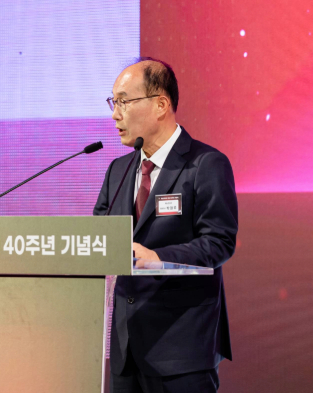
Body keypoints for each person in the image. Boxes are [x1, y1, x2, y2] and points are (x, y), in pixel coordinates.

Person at [93, 58, 237, 392]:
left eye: (124, 102)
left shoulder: (206, 165)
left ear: (160, 105)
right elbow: (100, 238)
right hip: (126, 349)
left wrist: (157, 257)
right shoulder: (117, 171)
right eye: (114, 102)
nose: (115, 114)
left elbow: (219, 242)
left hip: (182, 349)